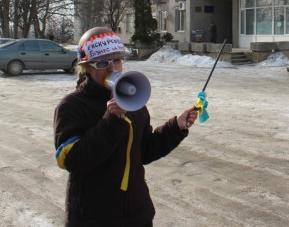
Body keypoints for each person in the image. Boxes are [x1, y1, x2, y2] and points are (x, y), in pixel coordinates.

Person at [54, 27, 198, 226]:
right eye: (102, 63)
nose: (112, 69)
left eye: (117, 60)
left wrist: (176, 127)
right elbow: (71, 160)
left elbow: (144, 151)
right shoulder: (72, 106)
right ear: (86, 67)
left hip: (137, 214)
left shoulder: (132, 101)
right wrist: (111, 120)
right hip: (93, 217)